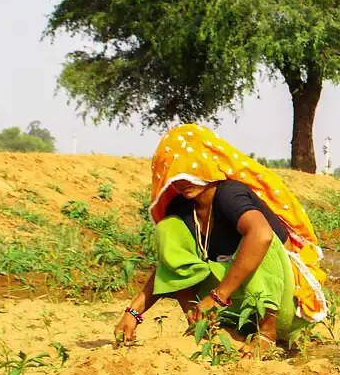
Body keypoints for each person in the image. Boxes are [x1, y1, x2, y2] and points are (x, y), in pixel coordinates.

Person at [115, 124, 328, 351]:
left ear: (207, 163)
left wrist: (217, 297)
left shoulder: (229, 193)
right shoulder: (182, 207)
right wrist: (134, 311)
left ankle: (266, 334)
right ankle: (201, 325)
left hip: (280, 301)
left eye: (189, 171)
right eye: (174, 174)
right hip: (238, 307)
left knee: (258, 238)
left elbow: (263, 236)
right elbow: (170, 262)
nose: (182, 180)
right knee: (169, 231)